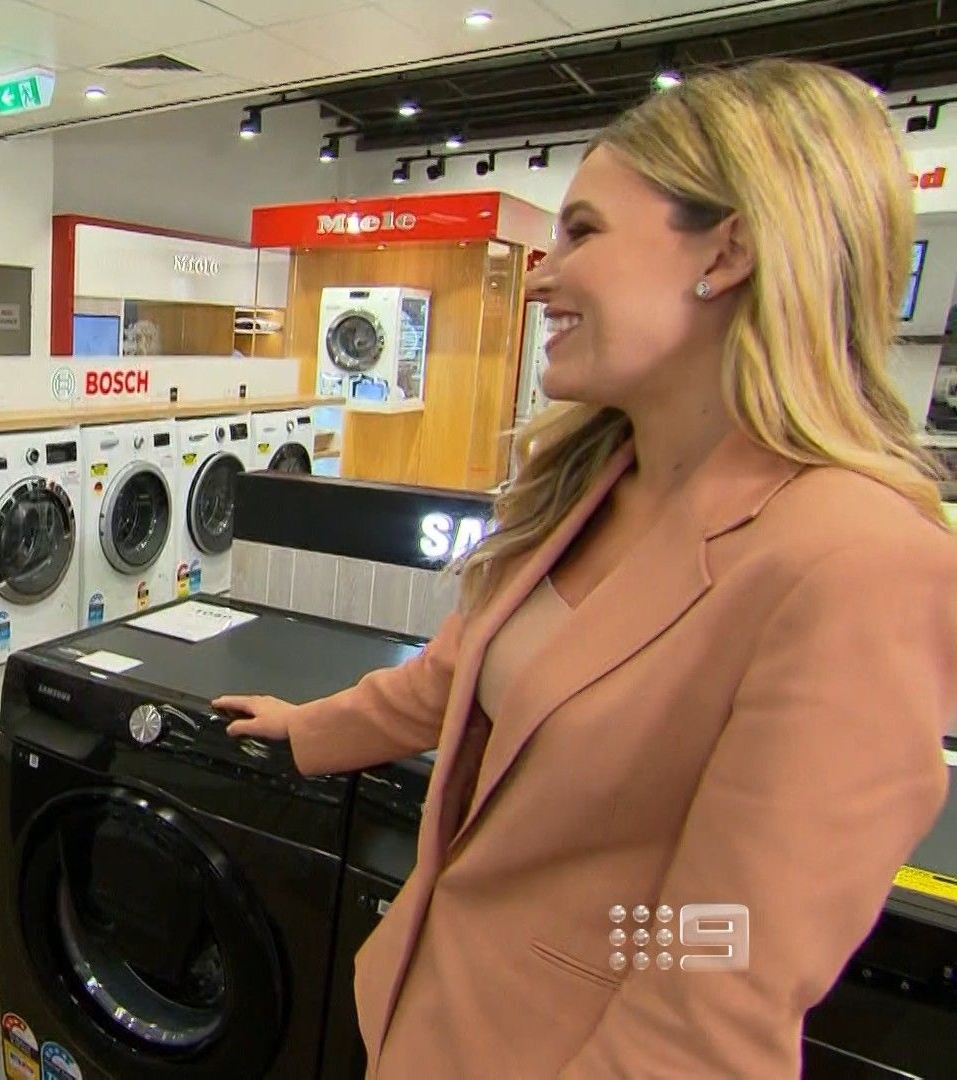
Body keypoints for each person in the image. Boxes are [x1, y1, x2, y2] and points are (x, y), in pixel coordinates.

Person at [215, 59, 957, 1078]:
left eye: (584, 232)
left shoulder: (858, 562)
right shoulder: (597, 477)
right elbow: (462, 676)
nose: (541, 274)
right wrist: (312, 729)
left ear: (729, 251)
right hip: (422, 1016)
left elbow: (721, 976)